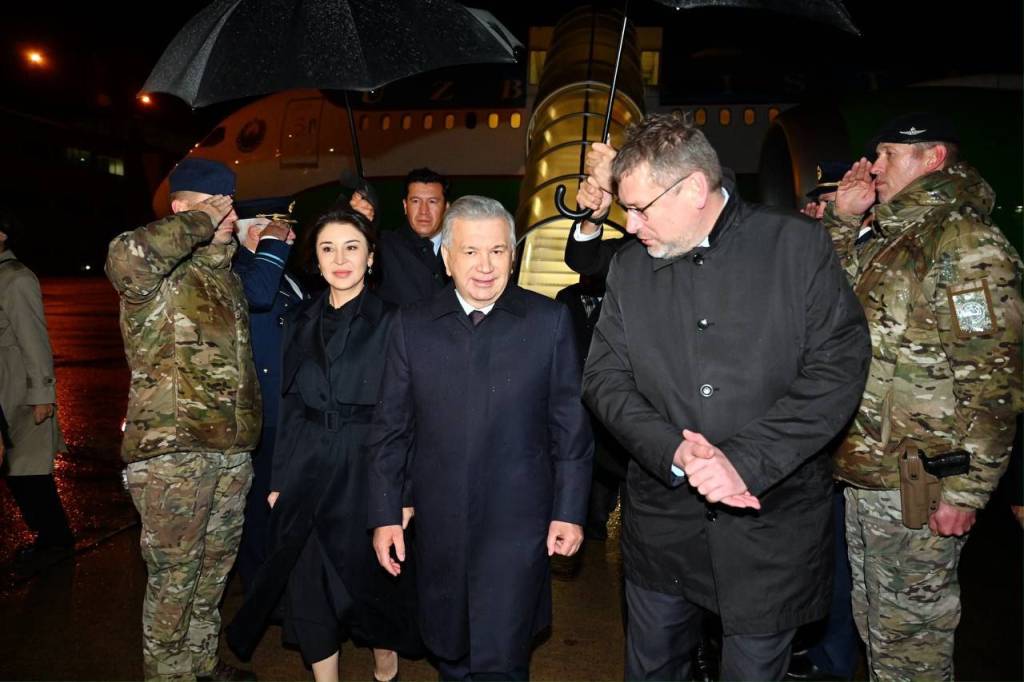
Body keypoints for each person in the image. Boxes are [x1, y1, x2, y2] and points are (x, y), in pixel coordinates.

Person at [581, 113, 871, 681]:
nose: (630, 224)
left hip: (771, 524)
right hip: (664, 526)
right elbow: (603, 377)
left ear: (693, 188)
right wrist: (672, 449)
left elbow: (838, 368)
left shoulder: (796, 245)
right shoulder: (630, 269)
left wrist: (745, 460)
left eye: (640, 208)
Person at [824, 112, 1024, 681]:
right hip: (872, 473)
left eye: (888, 154)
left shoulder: (964, 243)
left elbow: (993, 380)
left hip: (922, 482)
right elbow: (829, 306)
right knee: (878, 629)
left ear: (932, 159)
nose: (873, 166)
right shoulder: (895, 237)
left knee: (912, 645)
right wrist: (843, 221)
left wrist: (968, 490)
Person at [368, 195, 593, 680]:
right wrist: (386, 513)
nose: (485, 266)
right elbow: (391, 430)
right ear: (447, 258)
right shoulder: (411, 325)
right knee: (450, 647)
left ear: (513, 256)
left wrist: (569, 511)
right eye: (470, 251)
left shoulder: (548, 322)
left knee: (503, 653)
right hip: (439, 523)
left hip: (519, 525)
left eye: (497, 251)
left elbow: (570, 428)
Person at [228, 208, 420, 682]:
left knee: (367, 580)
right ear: (314, 259)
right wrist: (279, 479)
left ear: (371, 257)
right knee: (308, 578)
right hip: (308, 464)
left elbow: (411, 417)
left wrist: (404, 495)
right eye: (327, 249)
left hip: (368, 465)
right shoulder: (299, 318)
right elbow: (290, 401)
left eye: (352, 248)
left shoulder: (396, 322)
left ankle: (384, 656)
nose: (340, 259)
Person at [105, 157, 259, 682]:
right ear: (180, 210)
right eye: (215, 205)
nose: (228, 215)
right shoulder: (159, 278)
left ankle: (199, 663)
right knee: (175, 579)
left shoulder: (226, 279)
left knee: (213, 572)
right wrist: (202, 221)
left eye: (230, 206)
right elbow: (126, 257)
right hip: (175, 455)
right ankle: (170, 674)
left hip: (230, 455)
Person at [786, 162, 862, 682]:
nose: (818, 211)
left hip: (853, 444)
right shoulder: (797, 256)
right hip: (810, 443)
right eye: (815, 203)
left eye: (829, 203)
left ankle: (832, 657)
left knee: (845, 563)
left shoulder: (861, 254)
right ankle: (812, 646)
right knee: (817, 557)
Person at [233, 206, 306, 594]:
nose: (291, 237)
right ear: (253, 234)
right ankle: (258, 590)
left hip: (290, 410)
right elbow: (259, 299)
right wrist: (271, 247)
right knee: (260, 508)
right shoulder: (242, 273)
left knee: (284, 505)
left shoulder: (286, 275)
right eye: (280, 231)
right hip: (266, 415)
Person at [0, 208, 74, 564]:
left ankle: (55, 541)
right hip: (5, 390)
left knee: (27, 472)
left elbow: (34, 340)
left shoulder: (16, 278)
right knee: (18, 473)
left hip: (19, 392)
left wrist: (42, 394)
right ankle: (50, 538)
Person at [556, 274, 628, 543]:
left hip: (606, 390)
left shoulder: (617, 297)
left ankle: (596, 520)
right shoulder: (566, 297)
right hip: (573, 388)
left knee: (604, 460)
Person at [374, 167, 451, 305]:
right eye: (415, 201)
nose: (423, 211)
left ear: (446, 208)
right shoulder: (383, 246)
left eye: (432, 201)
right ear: (405, 206)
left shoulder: (463, 247)